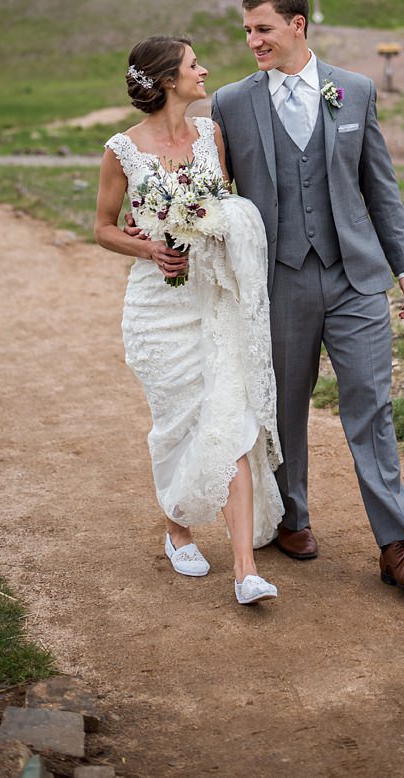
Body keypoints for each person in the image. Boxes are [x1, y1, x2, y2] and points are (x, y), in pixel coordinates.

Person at [206, 0, 404, 590]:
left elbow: (379, 186)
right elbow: (214, 192)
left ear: (298, 25)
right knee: (283, 405)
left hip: (355, 277)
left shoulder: (354, 91)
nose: (252, 40)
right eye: (248, 30)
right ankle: (291, 518)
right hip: (277, 281)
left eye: (263, 28)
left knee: (372, 406)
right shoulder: (231, 103)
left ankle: (395, 545)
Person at [93, 36, 283, 606]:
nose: (204, 70)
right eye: (193, 64)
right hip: (158, 308)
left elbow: (225, 205)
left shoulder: (208, 136)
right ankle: (178, 525)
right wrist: (150, 248)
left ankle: (246, 570)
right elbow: (103, 226)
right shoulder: (121, 150)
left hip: (214, 299)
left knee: (231, 419)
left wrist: (222, 225)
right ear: (168, 80)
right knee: (177, 423)